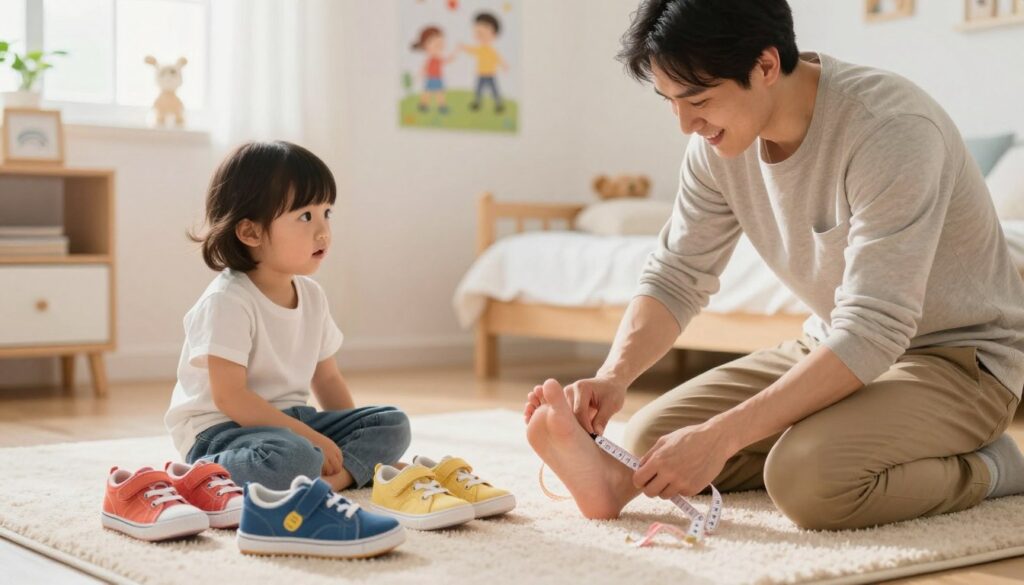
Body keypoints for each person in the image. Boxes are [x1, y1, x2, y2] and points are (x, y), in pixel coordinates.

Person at [525, 0, 1024, 530]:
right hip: (834, 340)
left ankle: (995, 465)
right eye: (670, 101)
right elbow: (676, 275)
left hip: (958, 359)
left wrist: (723, 436)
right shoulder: (714, 147)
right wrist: (614, 376)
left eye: (698, 99)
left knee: (806, 480)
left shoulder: (890, 129)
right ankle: (616, 482)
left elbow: (877, 327)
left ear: (765, 66)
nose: (686, 125)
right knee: (653, 435)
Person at [166, 141, 411, 491]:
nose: (323, 230)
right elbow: (230, 398)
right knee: (295, 456)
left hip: (292, 424)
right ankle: (202, 477)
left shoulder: (312, 296)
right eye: (305, 216)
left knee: (392, 423)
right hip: (223, 433)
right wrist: (315, 440)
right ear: (250, 232)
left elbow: (327, 381)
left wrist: (341, 440)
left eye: (327, 212)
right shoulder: (228, 301)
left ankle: (334, 476)